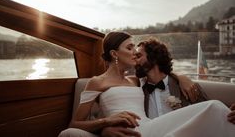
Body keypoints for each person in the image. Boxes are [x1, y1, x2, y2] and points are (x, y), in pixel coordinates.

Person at [59, 32, 235, 137]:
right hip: (136, 132)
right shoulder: (97, 82)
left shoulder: (135, 80)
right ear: (114, 54)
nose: (134, 53)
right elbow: (74, 124)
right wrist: (105, 123)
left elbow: (158, 74)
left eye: (135, 49)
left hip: (151, 126)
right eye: (129, 48)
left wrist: (182, 77)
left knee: (215, 108)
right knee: (214, 107)